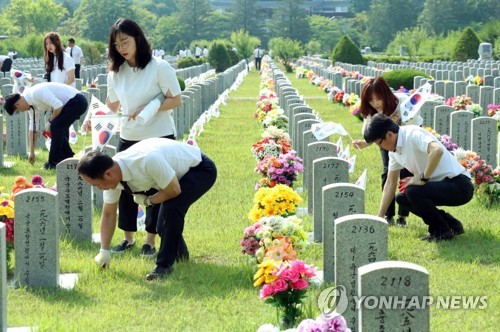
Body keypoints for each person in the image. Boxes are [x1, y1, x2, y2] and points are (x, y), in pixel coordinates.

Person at [83, 18, 182, 258]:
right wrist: (94, 118)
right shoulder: (116, 73)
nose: (122, 48)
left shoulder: (159, 67)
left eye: (125, 42)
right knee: (124, 186)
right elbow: (112, 104)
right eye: (117, 45)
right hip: (128, 137)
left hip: (158, 135)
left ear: (138, 39)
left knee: (156, 186)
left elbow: (176, 99)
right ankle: (127, 238)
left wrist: (149, 108)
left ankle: (150, 239)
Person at [77, 138, 217, 280]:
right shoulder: (111, 174)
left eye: (97, 185)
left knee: (171, 207)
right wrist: (104, 250)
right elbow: (108, 213)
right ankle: (181, 256)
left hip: (199, 169)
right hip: (173, 177)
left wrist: (148, 201)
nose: (99, 189)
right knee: (162, 225)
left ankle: (163, 267)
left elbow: (174, 190)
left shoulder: (146, 161)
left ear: (108, 174)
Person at [364, 114, 473, 241]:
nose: (380, 147)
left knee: (413, 191)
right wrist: (379, 217)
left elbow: (437, 150)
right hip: (441, 186)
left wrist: (422, 178)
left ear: (389, 134)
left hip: (459, 185)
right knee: (402, 198)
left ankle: (441, 232)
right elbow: (390, 184)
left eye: (379, 143)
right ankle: (451, 224)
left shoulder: (412, 134)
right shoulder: (394, 152)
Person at [352, 77, 420, 227]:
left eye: (378, 99)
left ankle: (403, 215)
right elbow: (369, 131)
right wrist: (365, 143)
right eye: (371, 101)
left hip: (407, 142)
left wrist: (397, 121)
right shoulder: (371, 111)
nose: (375, 104)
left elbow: (415, 121)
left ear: (385, 94)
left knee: (406, 174)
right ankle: (388, 215)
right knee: (388, 174)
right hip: (386, 144)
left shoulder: (401, 101)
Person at [3, 82, 88, 170]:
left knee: (55, 126)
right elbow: (33, 129)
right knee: (59, 127)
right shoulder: (31, 107)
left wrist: (50, 122)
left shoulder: (35, 93)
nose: (21, 112)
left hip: (77, 101)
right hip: (70, 104)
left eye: (18, 111)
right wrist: (32, 152)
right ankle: (67, 157)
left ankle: (53, 163)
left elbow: (58, 105)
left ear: (17, 104)